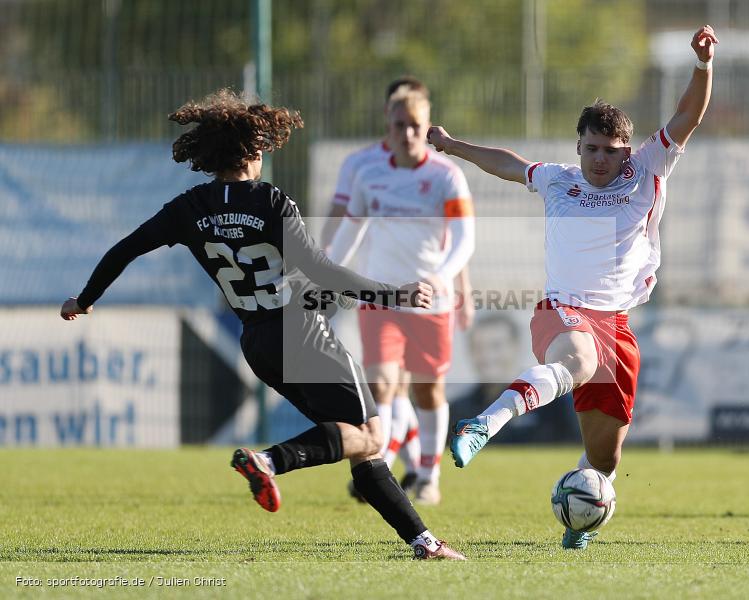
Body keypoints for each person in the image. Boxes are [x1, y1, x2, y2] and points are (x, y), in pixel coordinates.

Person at [59, 89, 465, 560]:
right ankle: (268, 461)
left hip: (258, 343)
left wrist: (85, 299)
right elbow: (322, 270)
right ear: (254, 151)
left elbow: (125, 248)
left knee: (358, 441)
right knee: (372, 434)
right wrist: (394, 293)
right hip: (303, 333)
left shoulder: (189, 208)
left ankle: (423, 541)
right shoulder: (269, 201)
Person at [427, 25, 717, 549]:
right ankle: (483, 425)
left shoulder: (650, 169)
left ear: (628, 150)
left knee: (604, 459)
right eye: (591, 149)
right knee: (577, 359)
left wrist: (701, 65)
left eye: (610, 150)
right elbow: (508, 164)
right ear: (577, 147)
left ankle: (579, 522)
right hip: (562, 311)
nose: (600, 159)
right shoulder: (560, 179)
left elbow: (688, 117)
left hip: (618, 325)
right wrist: (451, 146)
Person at [322, 77, 475, 499]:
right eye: (399, 125)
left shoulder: (447, 175)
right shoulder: (369, 174)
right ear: (387, 127)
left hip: (431, 300)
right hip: (382, 296)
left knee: (428, 389)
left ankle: (429, 478)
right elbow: (349, 229)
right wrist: (325, 270)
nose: (406, 134)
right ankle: (381, 472)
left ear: (427, 127)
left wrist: (442, 278)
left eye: (415, 125)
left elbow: (465, 239)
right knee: (381, 383)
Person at [449, 313, 580, 444]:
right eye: (478, 348)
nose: (487, 356)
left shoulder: (554, 404)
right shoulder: (459, 410)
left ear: (516, 347)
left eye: (496, 346)